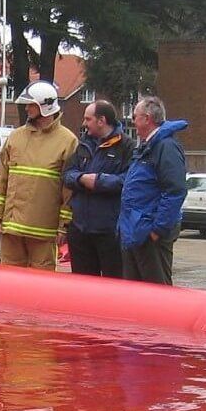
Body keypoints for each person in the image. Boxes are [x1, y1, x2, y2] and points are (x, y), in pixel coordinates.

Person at [0, 80, 78, 270]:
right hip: (11, 228)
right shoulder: (16, 137)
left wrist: (64, 225)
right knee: (8, 282)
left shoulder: (68, 141)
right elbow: (1, 179)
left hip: (43, 231)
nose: (27, 108)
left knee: (40, 286)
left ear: (45, 107)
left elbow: (69, 191)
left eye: (31, 104)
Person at [118, 96, 188, 285]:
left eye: (135, 117)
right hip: (137, 231)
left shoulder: (165, 147)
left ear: (147, 118)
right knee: (135, 292)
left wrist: (158, 229)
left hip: (150, 233)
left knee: (157, 291)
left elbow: (175, 191)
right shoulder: (147, 147)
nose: (132, 121)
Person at [62, 100, 135, 278]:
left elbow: (129, 181)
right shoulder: (83, 145)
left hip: (109, 232)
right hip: (80, 229)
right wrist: (81, 178)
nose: (84, 124)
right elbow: (66, 175)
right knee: (82, 286)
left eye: (88, 119)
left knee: (113, 285)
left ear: (101, 120)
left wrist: (99, 182)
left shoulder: (127, 147)